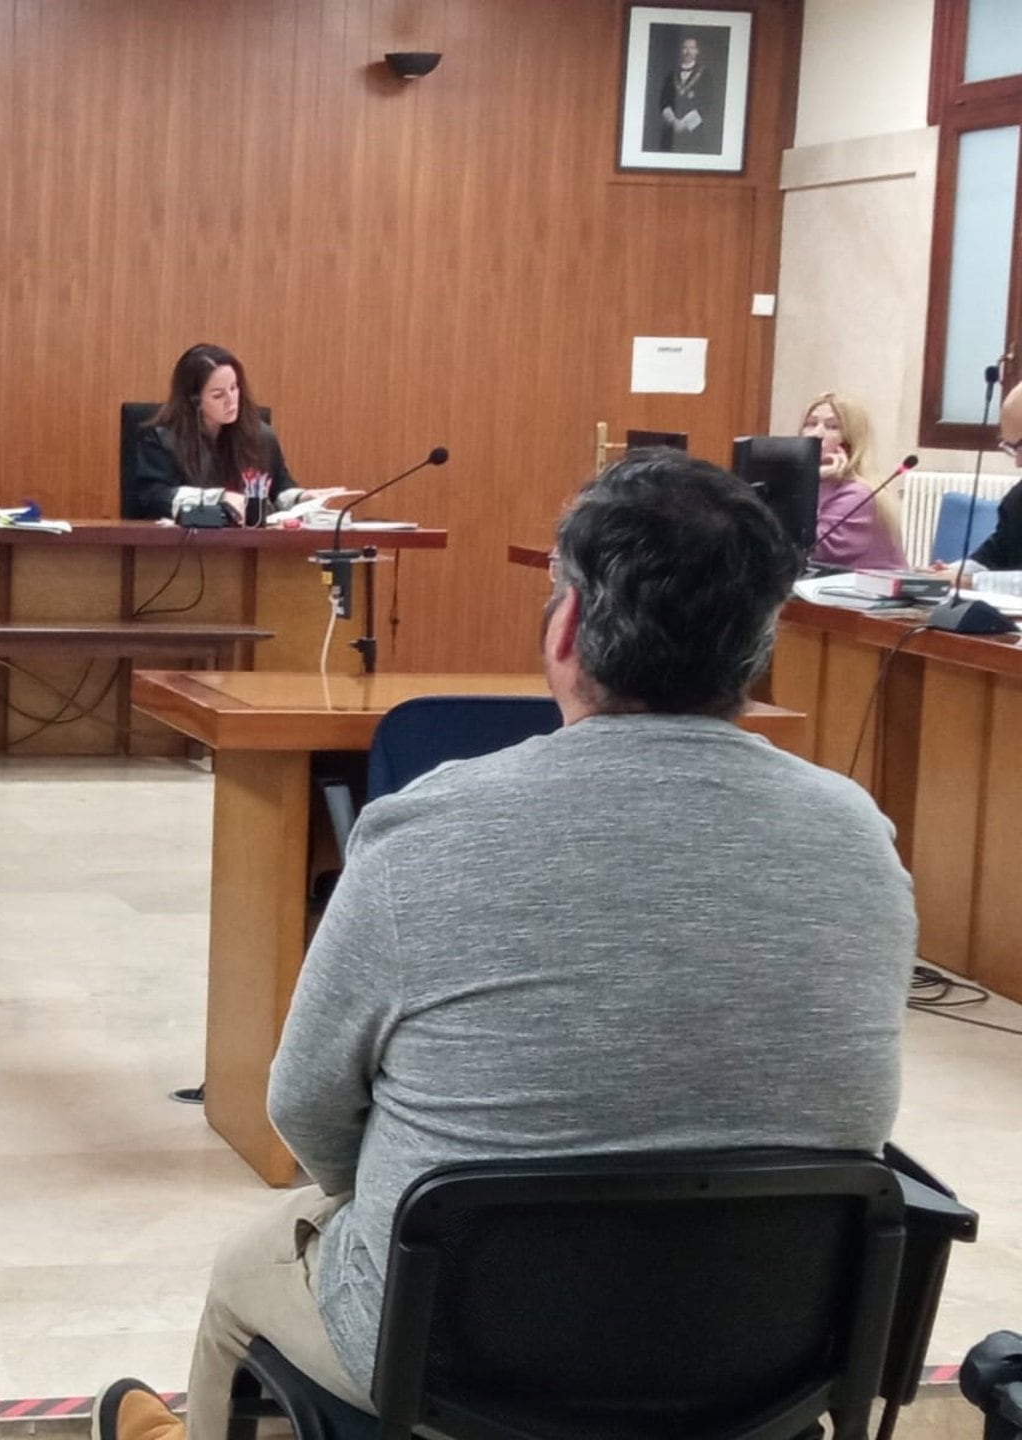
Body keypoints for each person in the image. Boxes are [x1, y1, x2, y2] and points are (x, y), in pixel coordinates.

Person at [92, 450, 914, 1440]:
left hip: (453, 1356)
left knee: (245, 1267)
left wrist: (398, 1196)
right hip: (770, 1359)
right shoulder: (860, 837)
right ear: (757, 645)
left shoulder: (426, 829)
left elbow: (305, 1106)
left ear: (567, 625)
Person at [132, 344, 349, 524]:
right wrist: (219, 498)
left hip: (248, 546)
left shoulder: (261, 436)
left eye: (234, 388)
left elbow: (278, 490)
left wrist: (303, 497)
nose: (231, 401)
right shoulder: (161, 438)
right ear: (194, 400)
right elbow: (153, 498)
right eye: (218, 395)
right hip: (181, 549)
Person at [801, 391, 906, 570]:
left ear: (850, 441)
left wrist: (809, 482)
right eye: (811, 424)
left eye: (832, 427)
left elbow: (809, 548)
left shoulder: (857, 494)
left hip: (868, 587)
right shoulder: (811, 481)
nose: (816, 434)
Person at [935, 381, 1022, 577]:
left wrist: (974, 582)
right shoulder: (1017, 499)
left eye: (1020, 447)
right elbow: (994, 556)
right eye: (1010, 448)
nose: (1018, 462)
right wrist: (950, 572)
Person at [656, 34, 719, 154]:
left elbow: (707, 103)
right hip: (671, 132)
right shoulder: (671, 74)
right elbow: (663, 101)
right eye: (685, 48)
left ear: (697, 51)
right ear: (681, 51)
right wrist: (674, 121)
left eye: (691, 48)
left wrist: (685, 123)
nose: (688, 51)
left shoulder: (705, 75)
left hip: (694, 133)